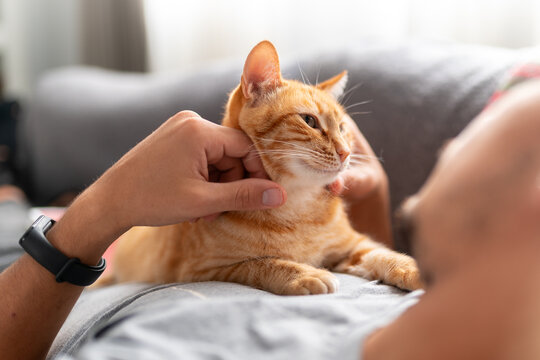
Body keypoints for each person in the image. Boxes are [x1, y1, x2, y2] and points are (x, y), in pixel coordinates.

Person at [0, 77, 539, 359]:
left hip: (55, 270)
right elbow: (348, 252)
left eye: (478, 126)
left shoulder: (173, 347)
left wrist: (102, 208)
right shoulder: (457, 306)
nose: (447, 140)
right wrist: (375, 204)